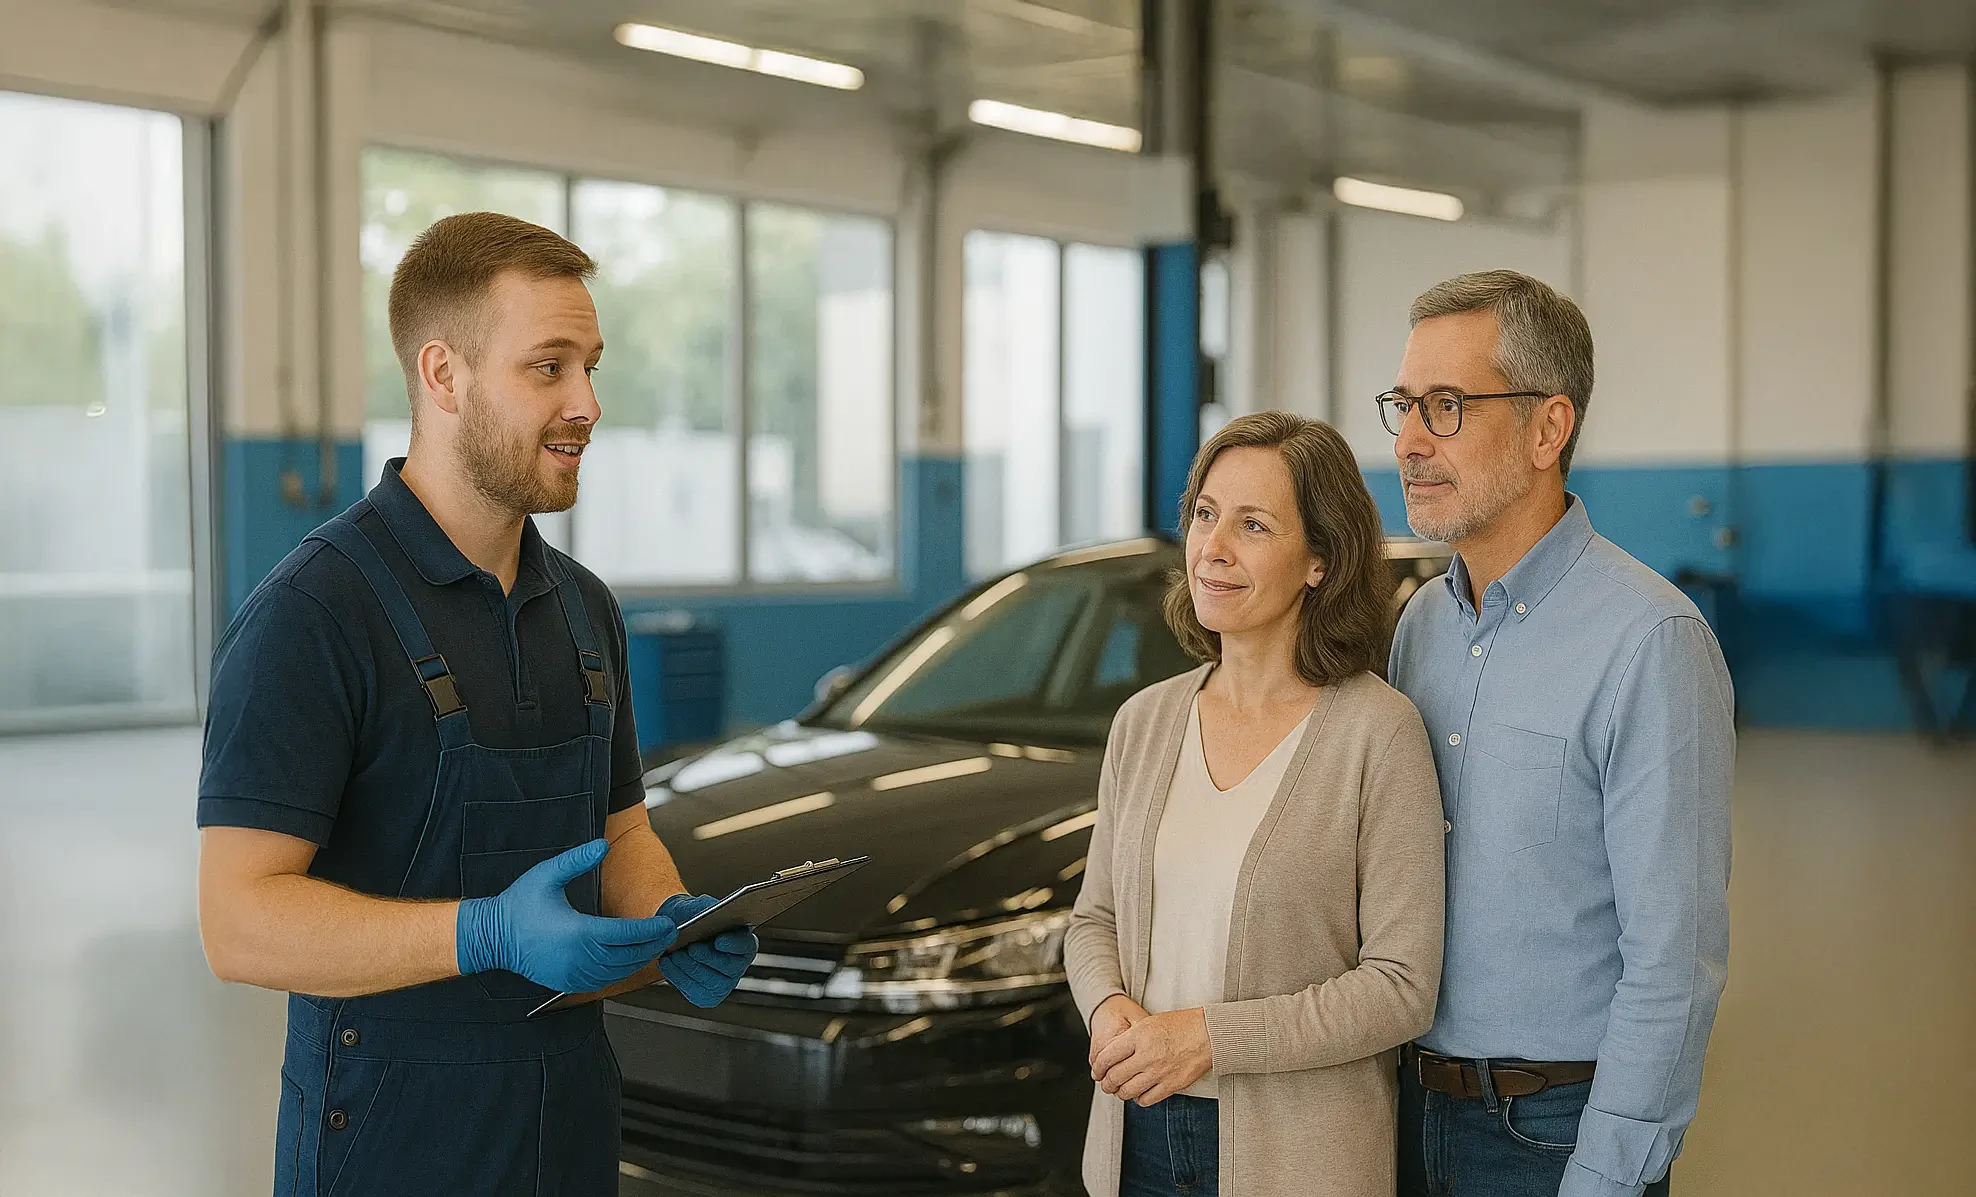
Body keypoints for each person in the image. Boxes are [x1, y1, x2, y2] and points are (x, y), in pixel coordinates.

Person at [195, 212, 759, 1197]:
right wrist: (484, 934)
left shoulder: (583, 609)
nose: (586, 402)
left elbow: (620, 826)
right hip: (391, 1145)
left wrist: (668, 921)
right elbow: (238, 920)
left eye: (590, 365)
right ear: (444, 376)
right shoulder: (315, 611)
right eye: (548, 367)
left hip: (567, 1126)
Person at [1383, 270, 1733, 1197]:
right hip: (1409, 1111)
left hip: (1548, 1136)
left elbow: (1674, 962)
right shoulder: (1419, 626)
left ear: (1549, 427)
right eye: (1406, 404)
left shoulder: (1650, 641)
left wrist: (1608, 1175)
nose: (1411, 441)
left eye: (1448, 406)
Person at [1065, 411, 1447, 1197]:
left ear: (1319, 560)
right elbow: (1092, 919)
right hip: (1135, 1134)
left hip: (1298, 1157)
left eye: (1253, 525)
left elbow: (1401, 984)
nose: (1214, 547)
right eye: (1205, 515)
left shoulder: (1378, 733)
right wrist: (1107, 1010)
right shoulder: (1144, 722)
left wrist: (1209, 1037)